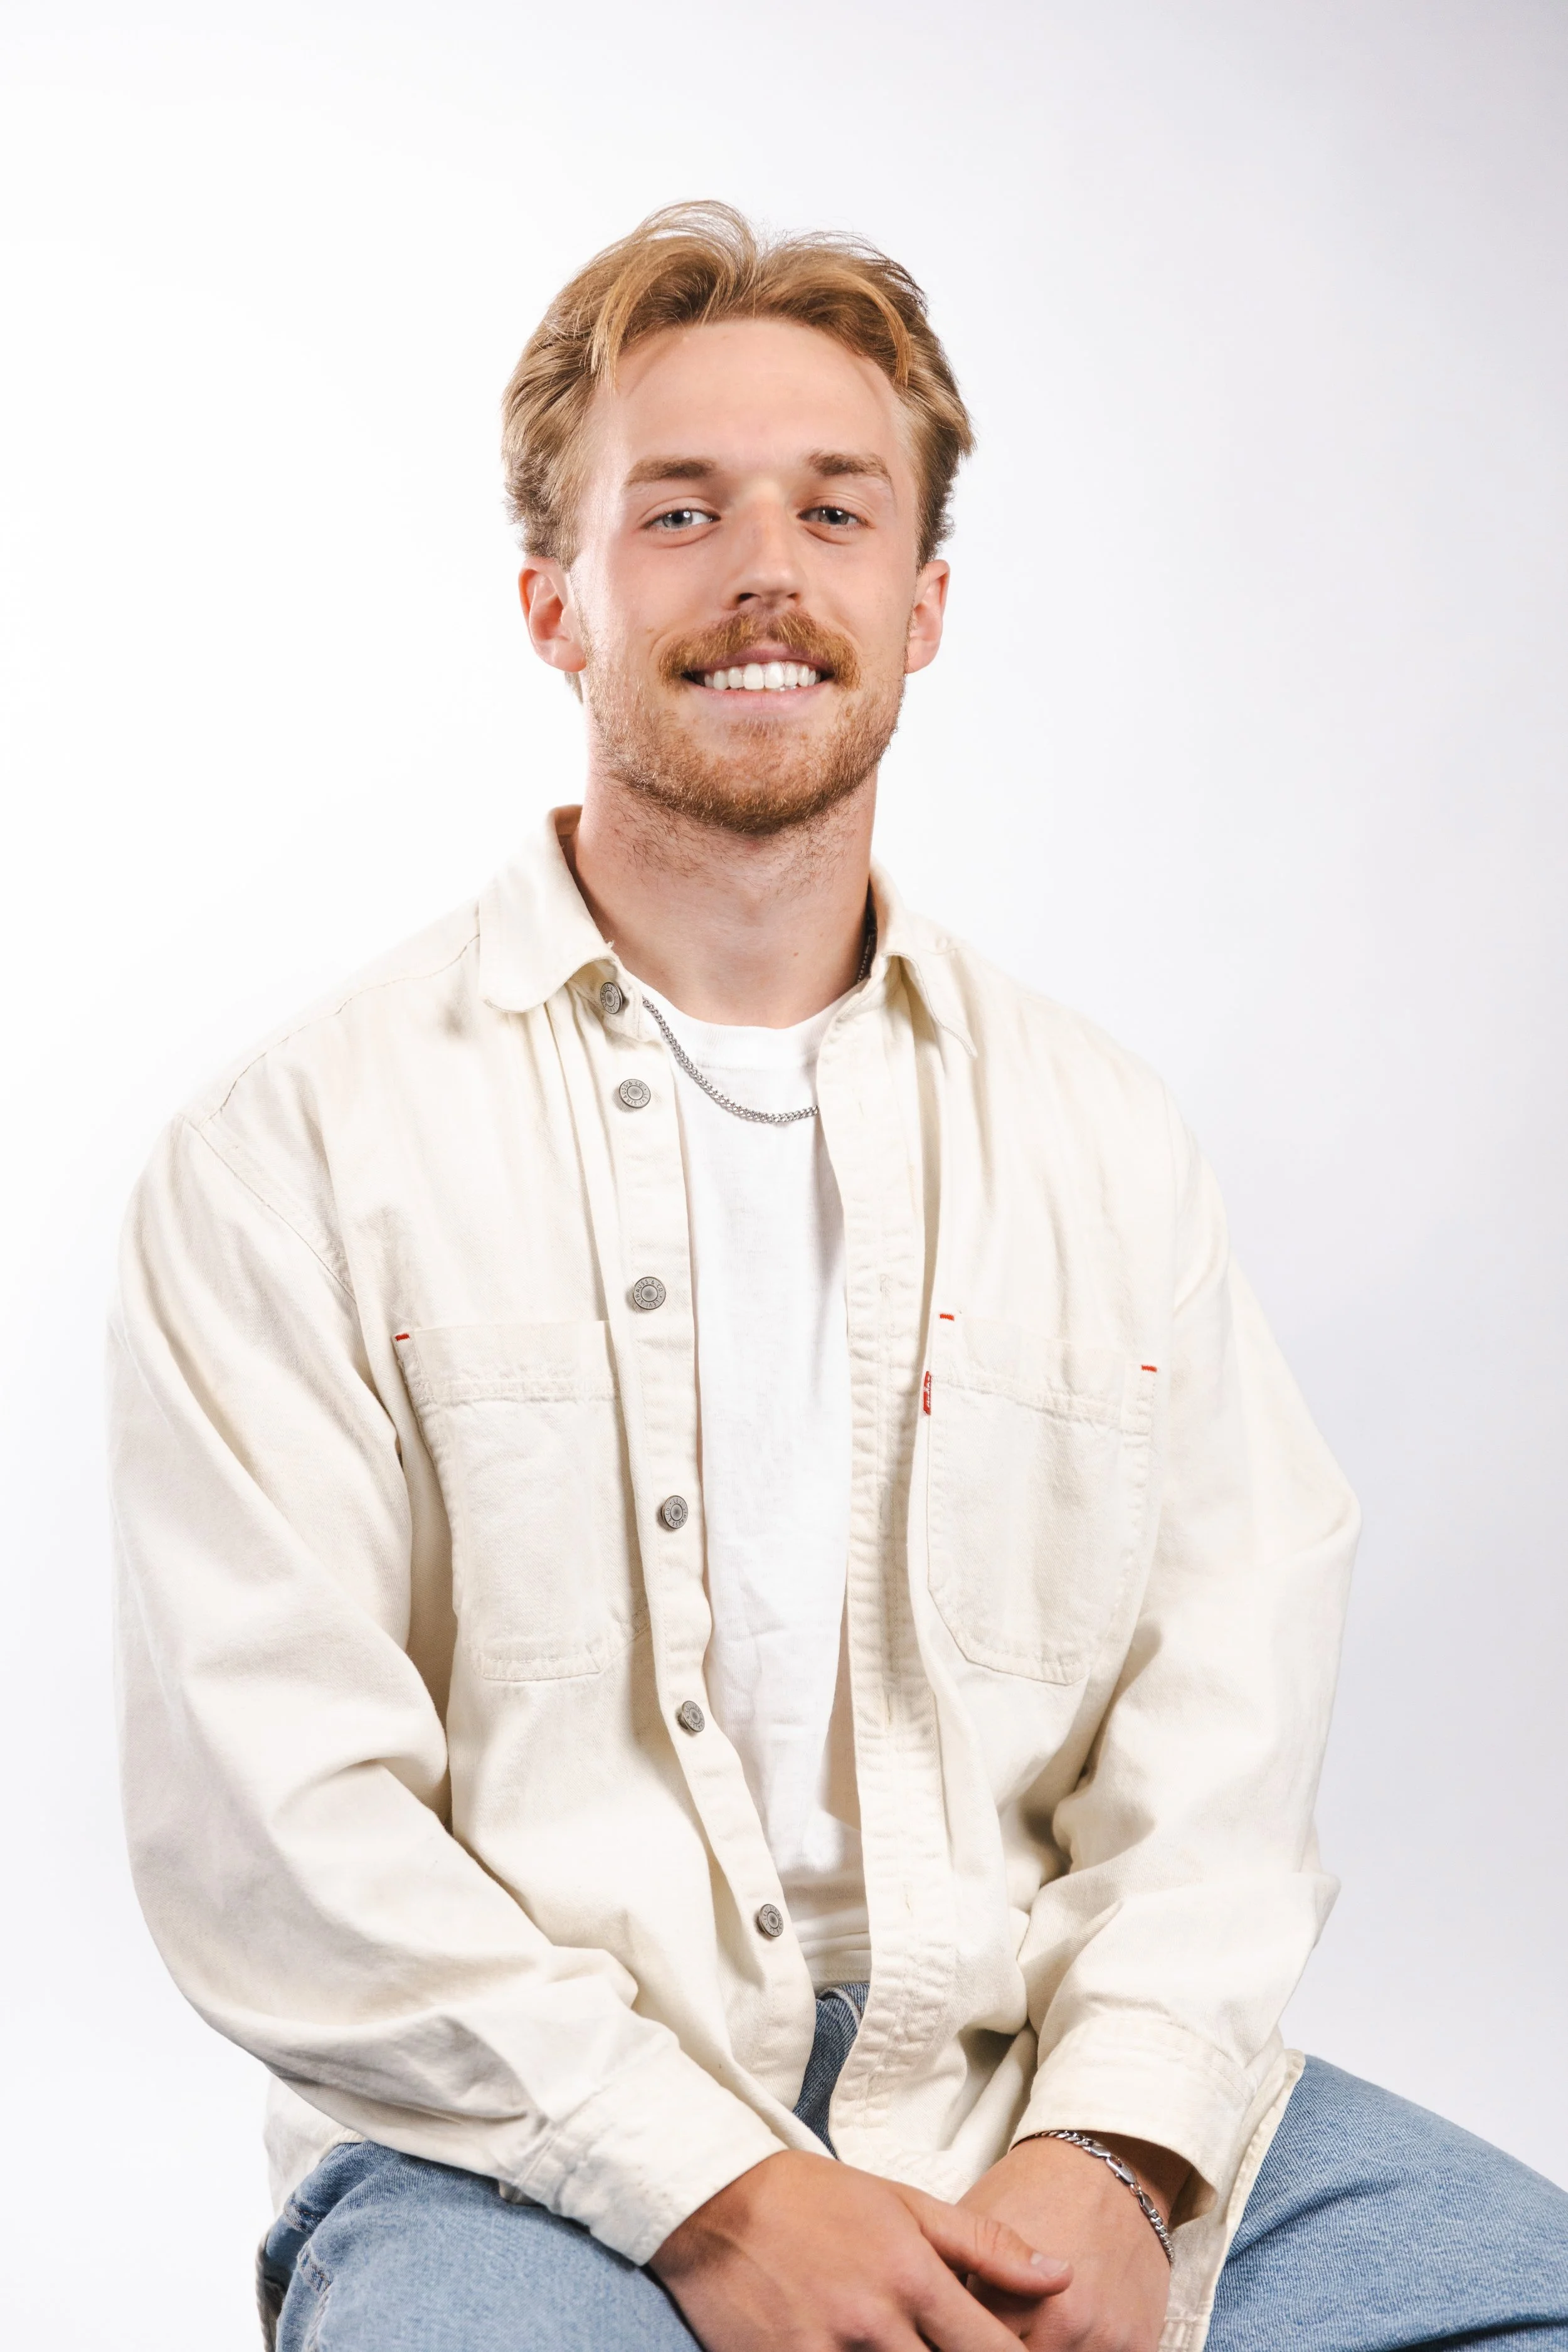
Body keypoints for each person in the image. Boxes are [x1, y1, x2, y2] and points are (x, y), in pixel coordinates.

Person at [109, 203, 1568, 2352]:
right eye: (678, 509)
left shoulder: (1097, 1136)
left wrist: (1118, 2147)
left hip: (1020, 2077)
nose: (763, 571)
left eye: (833, 508)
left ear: (923, 601)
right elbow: (280, 1825)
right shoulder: (294, 1151)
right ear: (553, 601)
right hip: (517, 2129)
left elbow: (1222, 1720)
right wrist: (717, 2191)